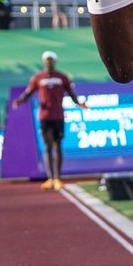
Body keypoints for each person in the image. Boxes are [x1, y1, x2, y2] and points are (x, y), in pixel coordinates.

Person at [13, 51, 88, 191]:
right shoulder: (38, 78)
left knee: (57, 145)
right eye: (47, 60)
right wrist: (20, 100)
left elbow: (71, 94)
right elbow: (28, 92)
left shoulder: (62, 77)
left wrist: (80, 103)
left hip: (58, 116)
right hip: (44, 117)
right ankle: (50, 178)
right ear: (44, 61)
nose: (49, 62)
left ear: (55, 61)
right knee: (47, 146)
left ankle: (58, 178)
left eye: (51, 60)